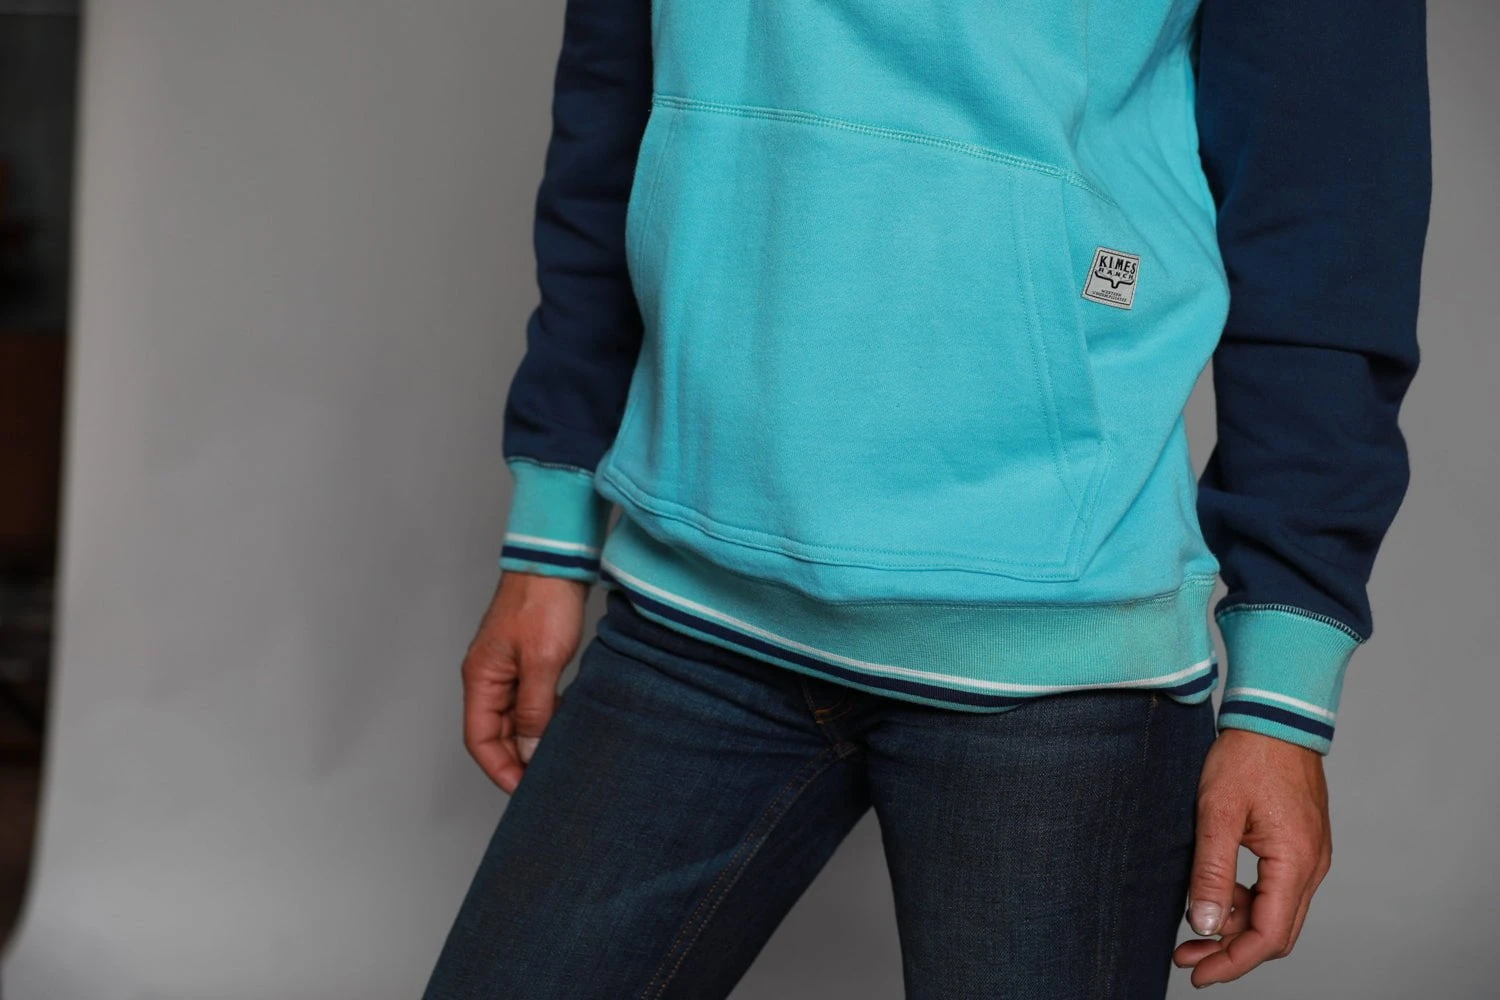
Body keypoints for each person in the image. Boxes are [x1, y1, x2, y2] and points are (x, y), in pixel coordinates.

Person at [422, 0, 1431, 995]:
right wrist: (550, 528)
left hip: (1058, 659)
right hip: (693, 596)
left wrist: (1283, 698)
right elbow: (614, 111)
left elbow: (1326, 209)